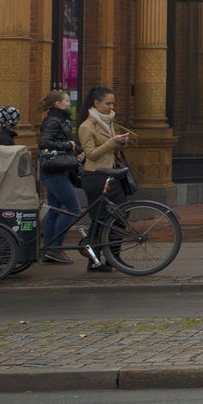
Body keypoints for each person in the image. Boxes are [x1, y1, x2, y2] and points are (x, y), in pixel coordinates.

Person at [74, 86, 129, 271]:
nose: (111, 107)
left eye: (113, 103)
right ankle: (94, 261)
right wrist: (112, 142)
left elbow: (110, 149)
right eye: (107, 103)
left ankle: (113, 257)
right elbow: (91, 154)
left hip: (111, 174)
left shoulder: (108, 121)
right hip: (95, 176)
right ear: (96, 103)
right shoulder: (86, 126)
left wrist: (120, 143)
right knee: (100, 218)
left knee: (120, 215)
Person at [35, 89, 84, 264]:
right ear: (57, 104)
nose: (68, 104)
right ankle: (55, 246)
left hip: (54, 172)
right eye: (65, 101)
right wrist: (68, 146)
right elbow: (44, 143)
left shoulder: (58, 119)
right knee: (74, 209)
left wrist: (77, 150)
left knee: (54, 212)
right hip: (54, 173)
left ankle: (49, 250)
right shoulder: (54, 121)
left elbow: (65, 144)